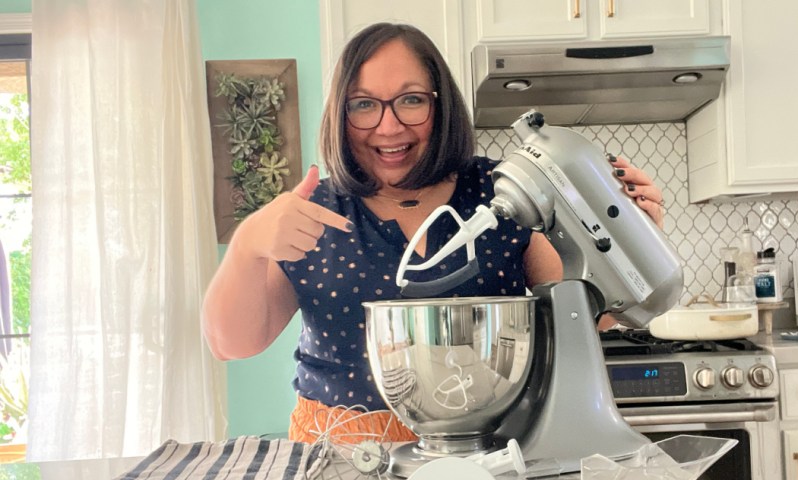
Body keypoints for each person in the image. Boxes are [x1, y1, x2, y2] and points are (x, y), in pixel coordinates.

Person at [202, 22, 667, 443]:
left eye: (411, 100)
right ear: (340, 115)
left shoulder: (503, 193)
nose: (388, 126)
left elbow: (588, 318)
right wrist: (247, 245)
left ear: (440, 104)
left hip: (490, 452)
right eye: (363, 104)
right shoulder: (312, 212)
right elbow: (231, 344)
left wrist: (629, 245)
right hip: (340, 462)